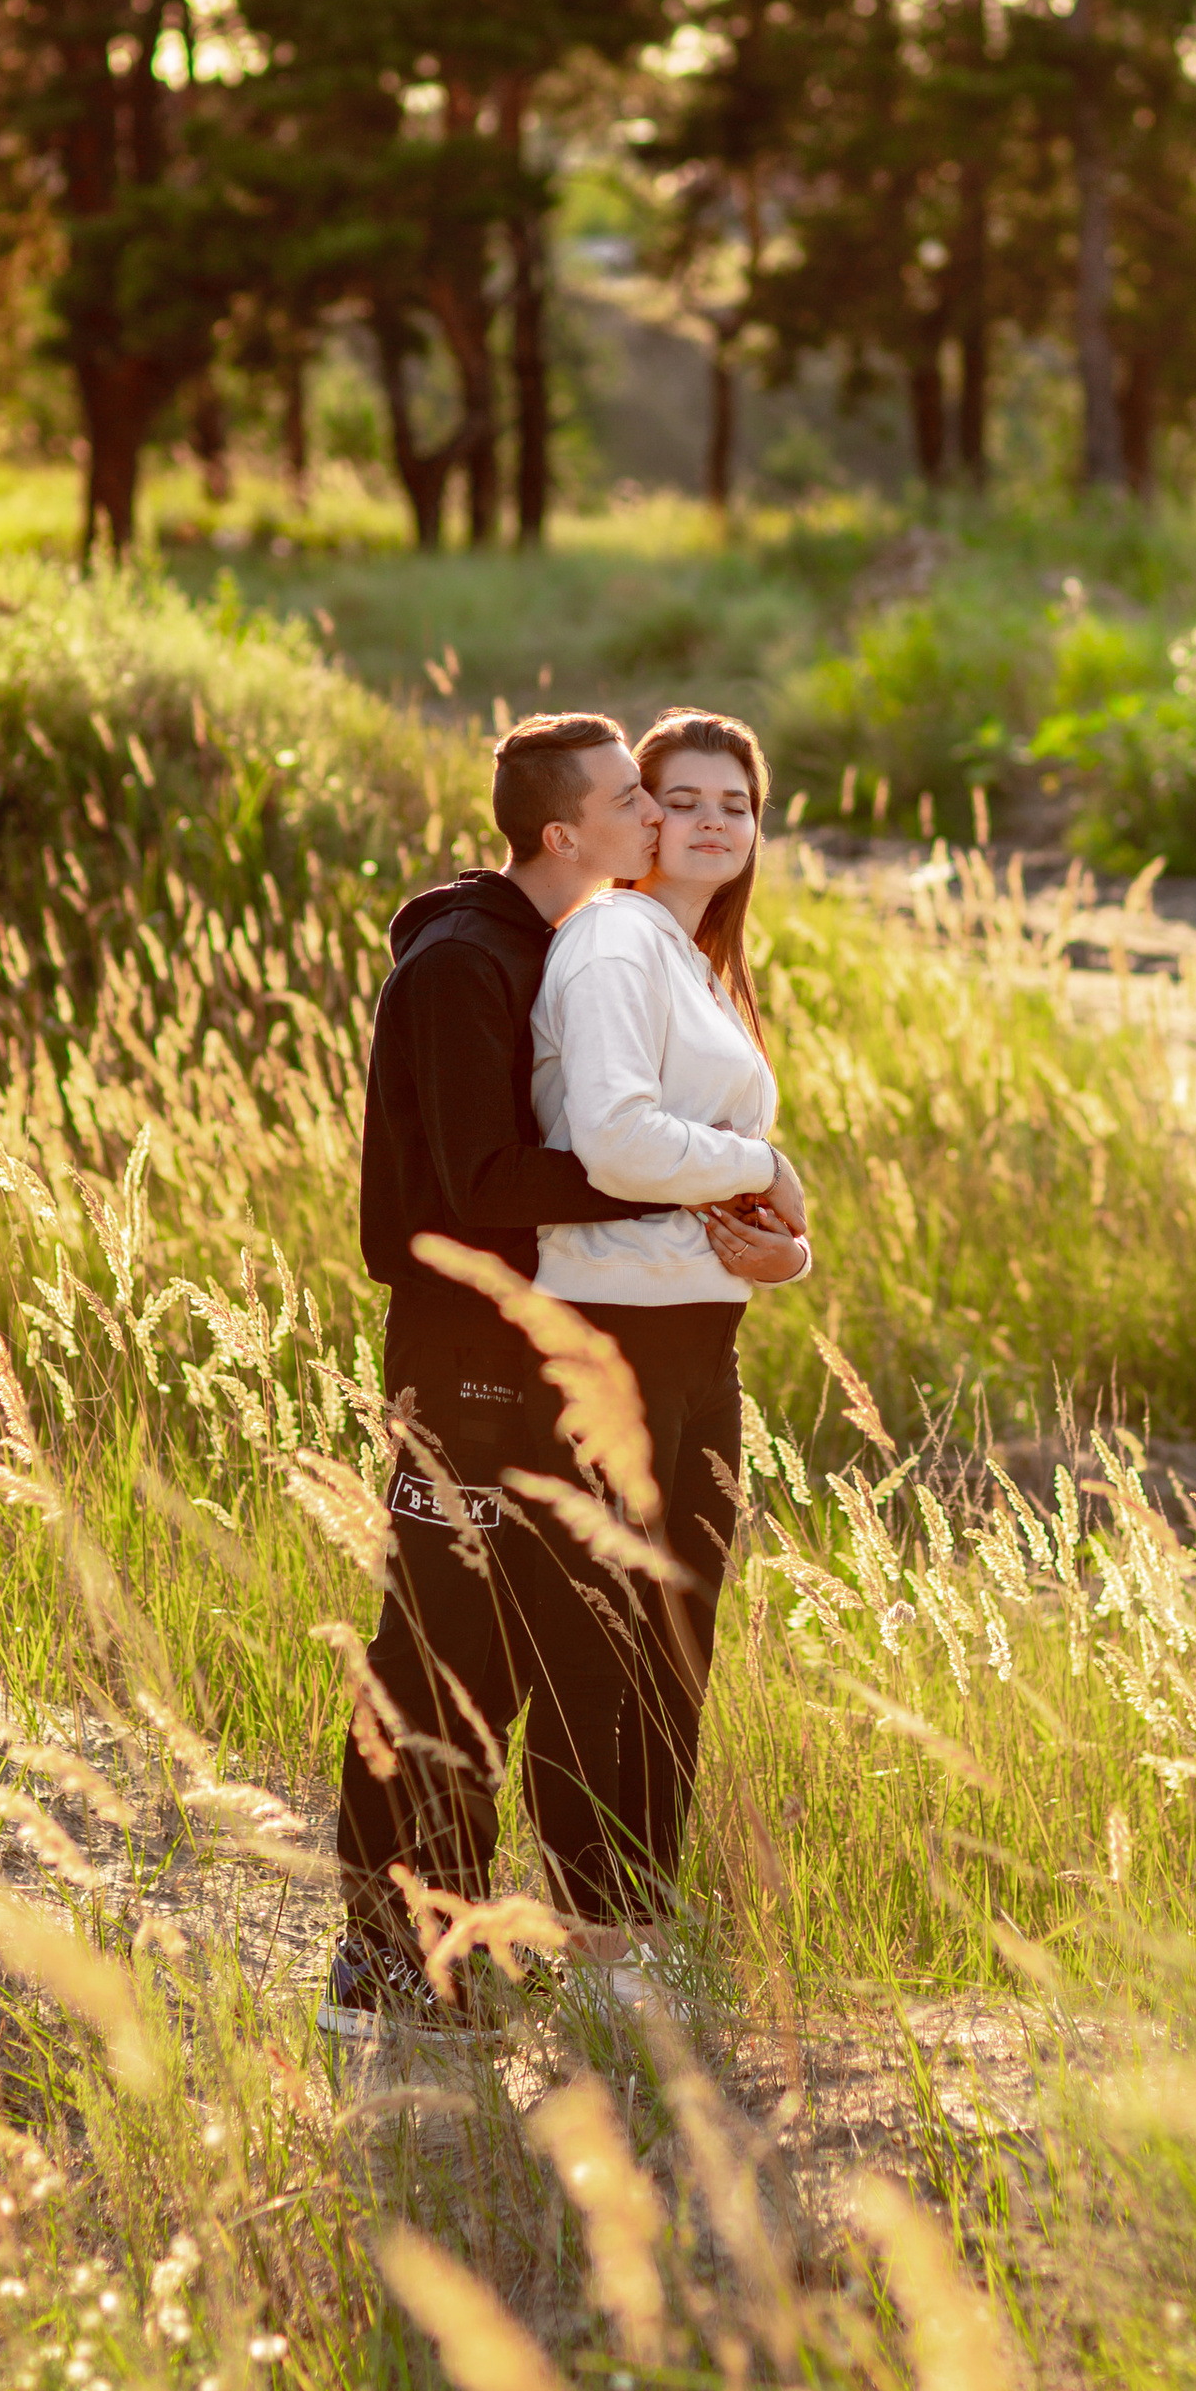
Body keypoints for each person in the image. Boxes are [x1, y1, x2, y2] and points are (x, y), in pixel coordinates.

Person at [320, 711, 799, 2039]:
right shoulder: (465, 964)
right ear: (565, 830)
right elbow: (481, 1185)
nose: (660, 816)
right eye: (635, 799)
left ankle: (482, 1943)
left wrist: (697, 1197)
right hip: (458, 1355)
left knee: (544, 1657)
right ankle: (380, 1960)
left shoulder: (566, 948)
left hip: (536, 1359)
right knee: (437, 1661)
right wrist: (699, 1171)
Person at [529, 706, 809, 1950]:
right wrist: (762, 1159)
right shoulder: (614, 946)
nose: (709, 822)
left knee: (676, 1642)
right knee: (604, 1644)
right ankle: (596, 1944)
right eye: (680, 799)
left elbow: (715, 1184)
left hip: (701, 1339)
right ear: (637, 818)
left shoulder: (698, 965)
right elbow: (616, 1140)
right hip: (609, 1335)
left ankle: (639, 1929)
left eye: (734, 806)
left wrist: (784, 1250)